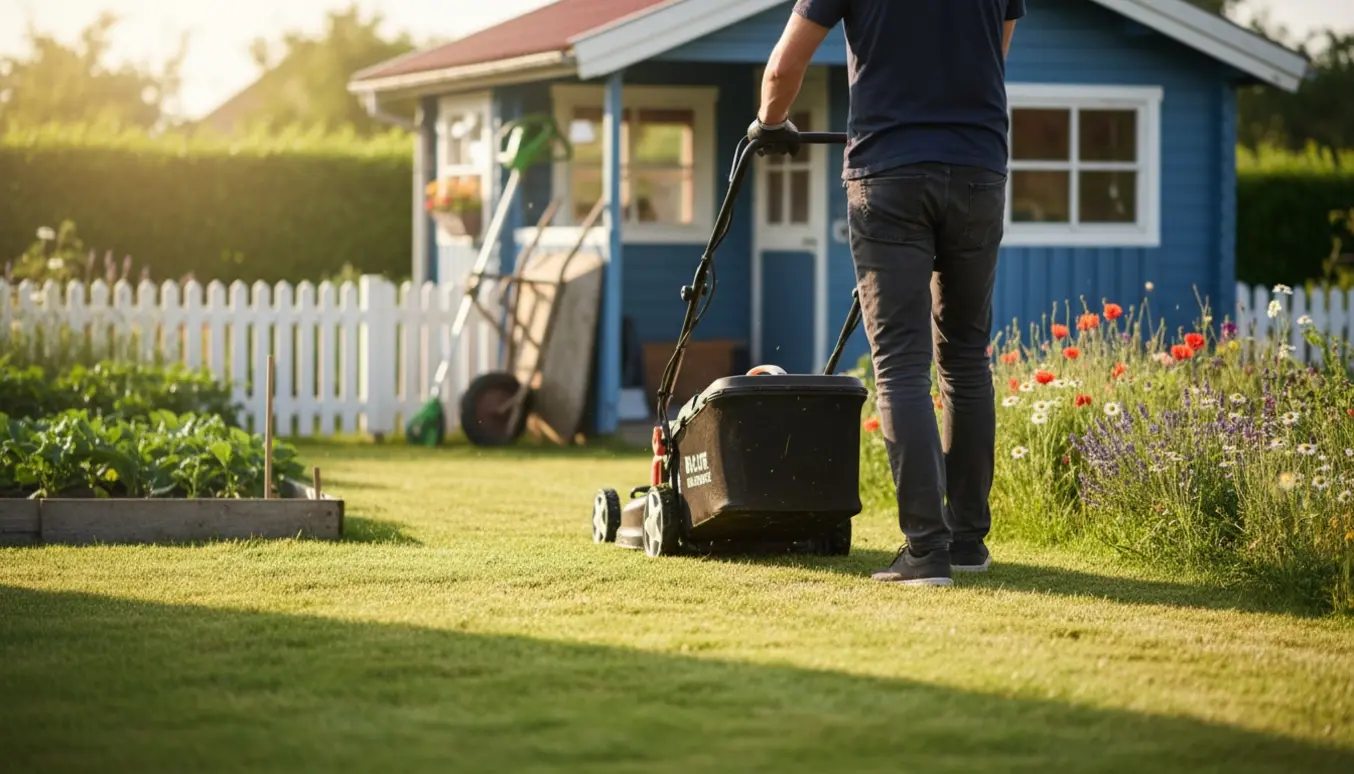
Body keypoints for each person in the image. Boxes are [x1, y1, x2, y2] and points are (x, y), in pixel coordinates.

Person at [748, 0, 1024, 587]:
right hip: (979, 171)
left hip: (890, 175)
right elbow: (993, 55)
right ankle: (969, 540)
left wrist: (770, 124)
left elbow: (781, 70)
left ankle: (927, 551)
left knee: (900, 363)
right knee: (967, 358)